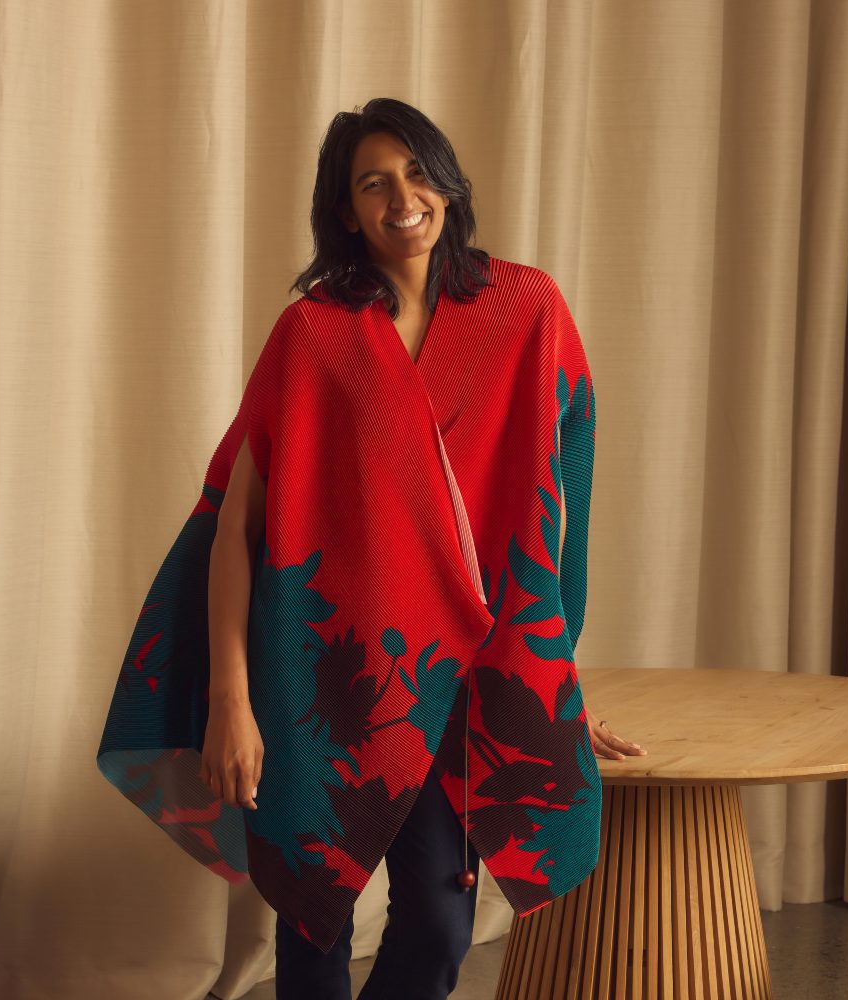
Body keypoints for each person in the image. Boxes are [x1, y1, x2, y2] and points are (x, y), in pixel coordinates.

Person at [196, 99, 645, 999]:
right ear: (346, 209)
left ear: (448, 182)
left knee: (441, 922)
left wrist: (549, 680)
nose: (403, 197)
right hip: (320, 672)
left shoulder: (523, 308)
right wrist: (230, 701)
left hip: (454, 677)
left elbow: (554, 506)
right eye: (373, 182)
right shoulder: (314, 335)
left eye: (417, 171)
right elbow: (236, 532)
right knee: (314, 912)